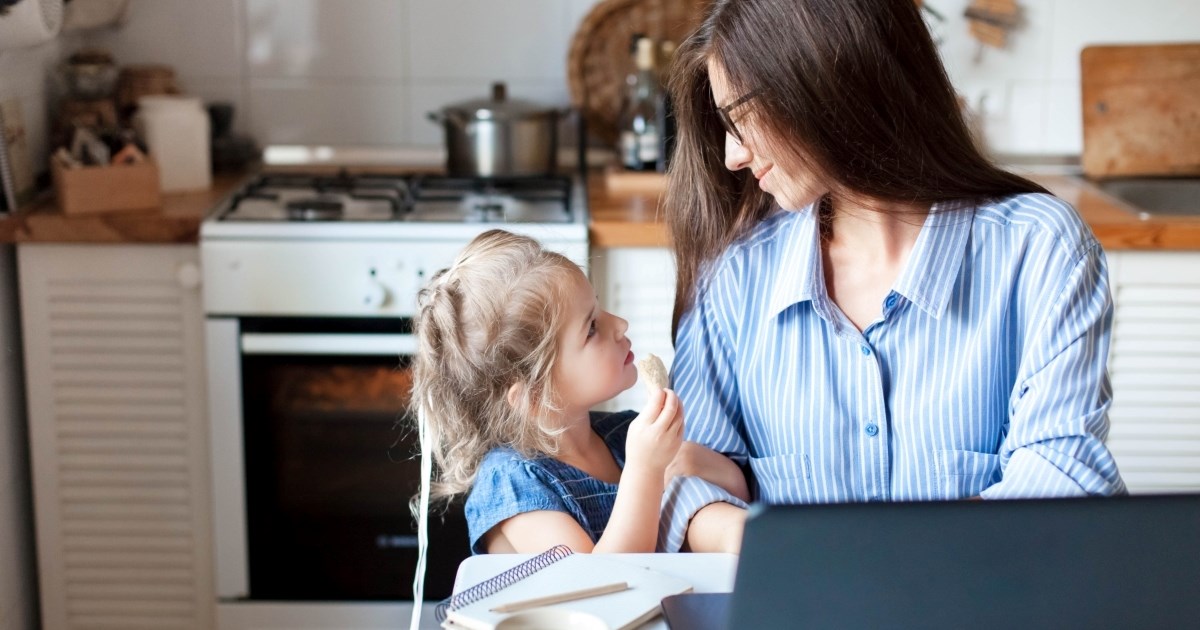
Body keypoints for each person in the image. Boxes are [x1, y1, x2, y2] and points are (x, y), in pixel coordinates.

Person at [656, 0, 1127, 551]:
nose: (733, 155)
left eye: (741, 117)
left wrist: (851, 556)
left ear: (825, 82)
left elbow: (1064, 484)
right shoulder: (733, 275)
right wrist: (829, 558)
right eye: (724, 126)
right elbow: (684, 485)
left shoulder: (1039, 247)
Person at [410, 229, 748, 556]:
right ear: (535, 394)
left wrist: (696, 461)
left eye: (599, 308)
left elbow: (735, 494)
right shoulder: (513, 483)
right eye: (591, 328)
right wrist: (645, 470)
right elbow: (598, 585)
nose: (619, 325)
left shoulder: (623, 435)